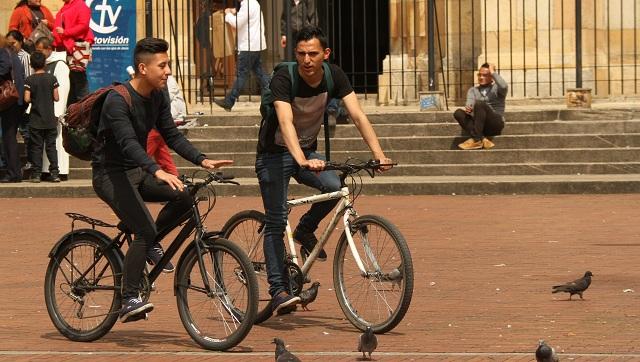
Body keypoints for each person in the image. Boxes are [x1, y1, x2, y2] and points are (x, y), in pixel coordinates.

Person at [92, 37, 232, 323]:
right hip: (110, 174)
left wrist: (202, 159)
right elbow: (129, 143)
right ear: (143, 68)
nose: (168, 71)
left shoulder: (157, 95)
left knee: (185, 194)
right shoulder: (117, 100)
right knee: (144, 230)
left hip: (137, 171)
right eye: (163, 65)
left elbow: (171, 134)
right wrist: (156, 170)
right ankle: (129, 297)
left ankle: (149, 241)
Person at [256, 26, 393, 315]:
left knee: (335, 187)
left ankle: (305, 230)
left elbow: (357, 114)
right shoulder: (284, 77)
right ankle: (278, 291)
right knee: (276, 220)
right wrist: (301, 159)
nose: (306, 59)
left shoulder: (334, 75)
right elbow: (285, 121)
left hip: (306, 152)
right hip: (274, 153)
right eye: (301, 53)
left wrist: (378, 154)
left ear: (325, 54)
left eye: (313, 54)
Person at [213, 0, 270, 112]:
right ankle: (273, 92)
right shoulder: (253, 3)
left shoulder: (248, 4)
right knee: (260, 73)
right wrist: (234, 12)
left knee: (241, 74)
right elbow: (245, 19)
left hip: (248, 45)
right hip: (255, 45)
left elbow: (237, 23)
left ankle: (229, 101)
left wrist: (228, 14)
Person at [35, 36, 70, 180]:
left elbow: (62, 90)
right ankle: (46, 169)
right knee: (47, 142)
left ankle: (60, 170)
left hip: (54, 111)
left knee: (57, 140)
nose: (38, 54)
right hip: (43, 110)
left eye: (40, 50)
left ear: (49, 49)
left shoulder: (60, 65)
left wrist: (57, 112)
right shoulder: (43, 65)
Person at [23, 50, 60, 183]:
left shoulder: (29, 80)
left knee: (36, 147)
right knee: (51, 146)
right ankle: (55, 173)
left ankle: (36, 174)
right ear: (44, 63)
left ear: (32, 65)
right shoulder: (52, 78)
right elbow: (56, 97)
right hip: (50, 119)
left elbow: (26, 99)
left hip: (35, 120)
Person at [453, 63, 507, 150]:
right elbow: (469, 103)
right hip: (480, 126)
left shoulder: (497, 89)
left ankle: (475, 139)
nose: (481, 77)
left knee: (479, 104)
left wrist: (493, 72)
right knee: (458, 113)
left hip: (494, 124)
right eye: (479, 75)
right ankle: (480, 138)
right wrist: (469, 109)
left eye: (485, 75)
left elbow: (504, 86)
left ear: (491, 77)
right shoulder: (473, 90)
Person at [53, 0, 94, 106]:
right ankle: (73, 111)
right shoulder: (65, 6)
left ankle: (85, 109)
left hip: (77, 46)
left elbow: (83, 25)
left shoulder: (80, 5)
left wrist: (65, 32)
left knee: (78, 79)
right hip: (67, 46)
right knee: (71, 80)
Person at [0, 34, 26, 183]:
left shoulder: (3, 52)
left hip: (11, 100)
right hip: (15, 99)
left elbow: (3, 69)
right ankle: (14, 171)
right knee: (9, 136)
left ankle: (14, 173)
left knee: (9, 137)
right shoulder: (10, 52)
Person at [6, 30, 33, 171]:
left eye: (13, 43)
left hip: (22, 101)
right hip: (11, 101)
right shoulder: (8, 56)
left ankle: (31, 161)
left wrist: (26, 100)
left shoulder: (25, 57)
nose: (11, 46)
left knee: (26, 132)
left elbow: (28, 79)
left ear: (20, 42)